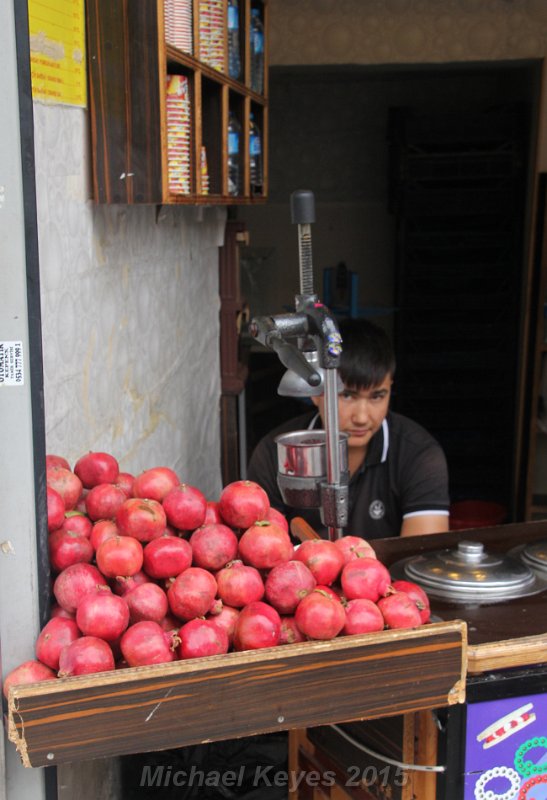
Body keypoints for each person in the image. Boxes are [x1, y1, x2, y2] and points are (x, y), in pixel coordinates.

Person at [247, 317, 450, 539]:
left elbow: (419, 555)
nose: (362, 417)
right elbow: (264, 549)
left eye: (377, 396)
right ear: (316, 393)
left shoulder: (419, 455)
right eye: (346, 395)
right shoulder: (273, 455)